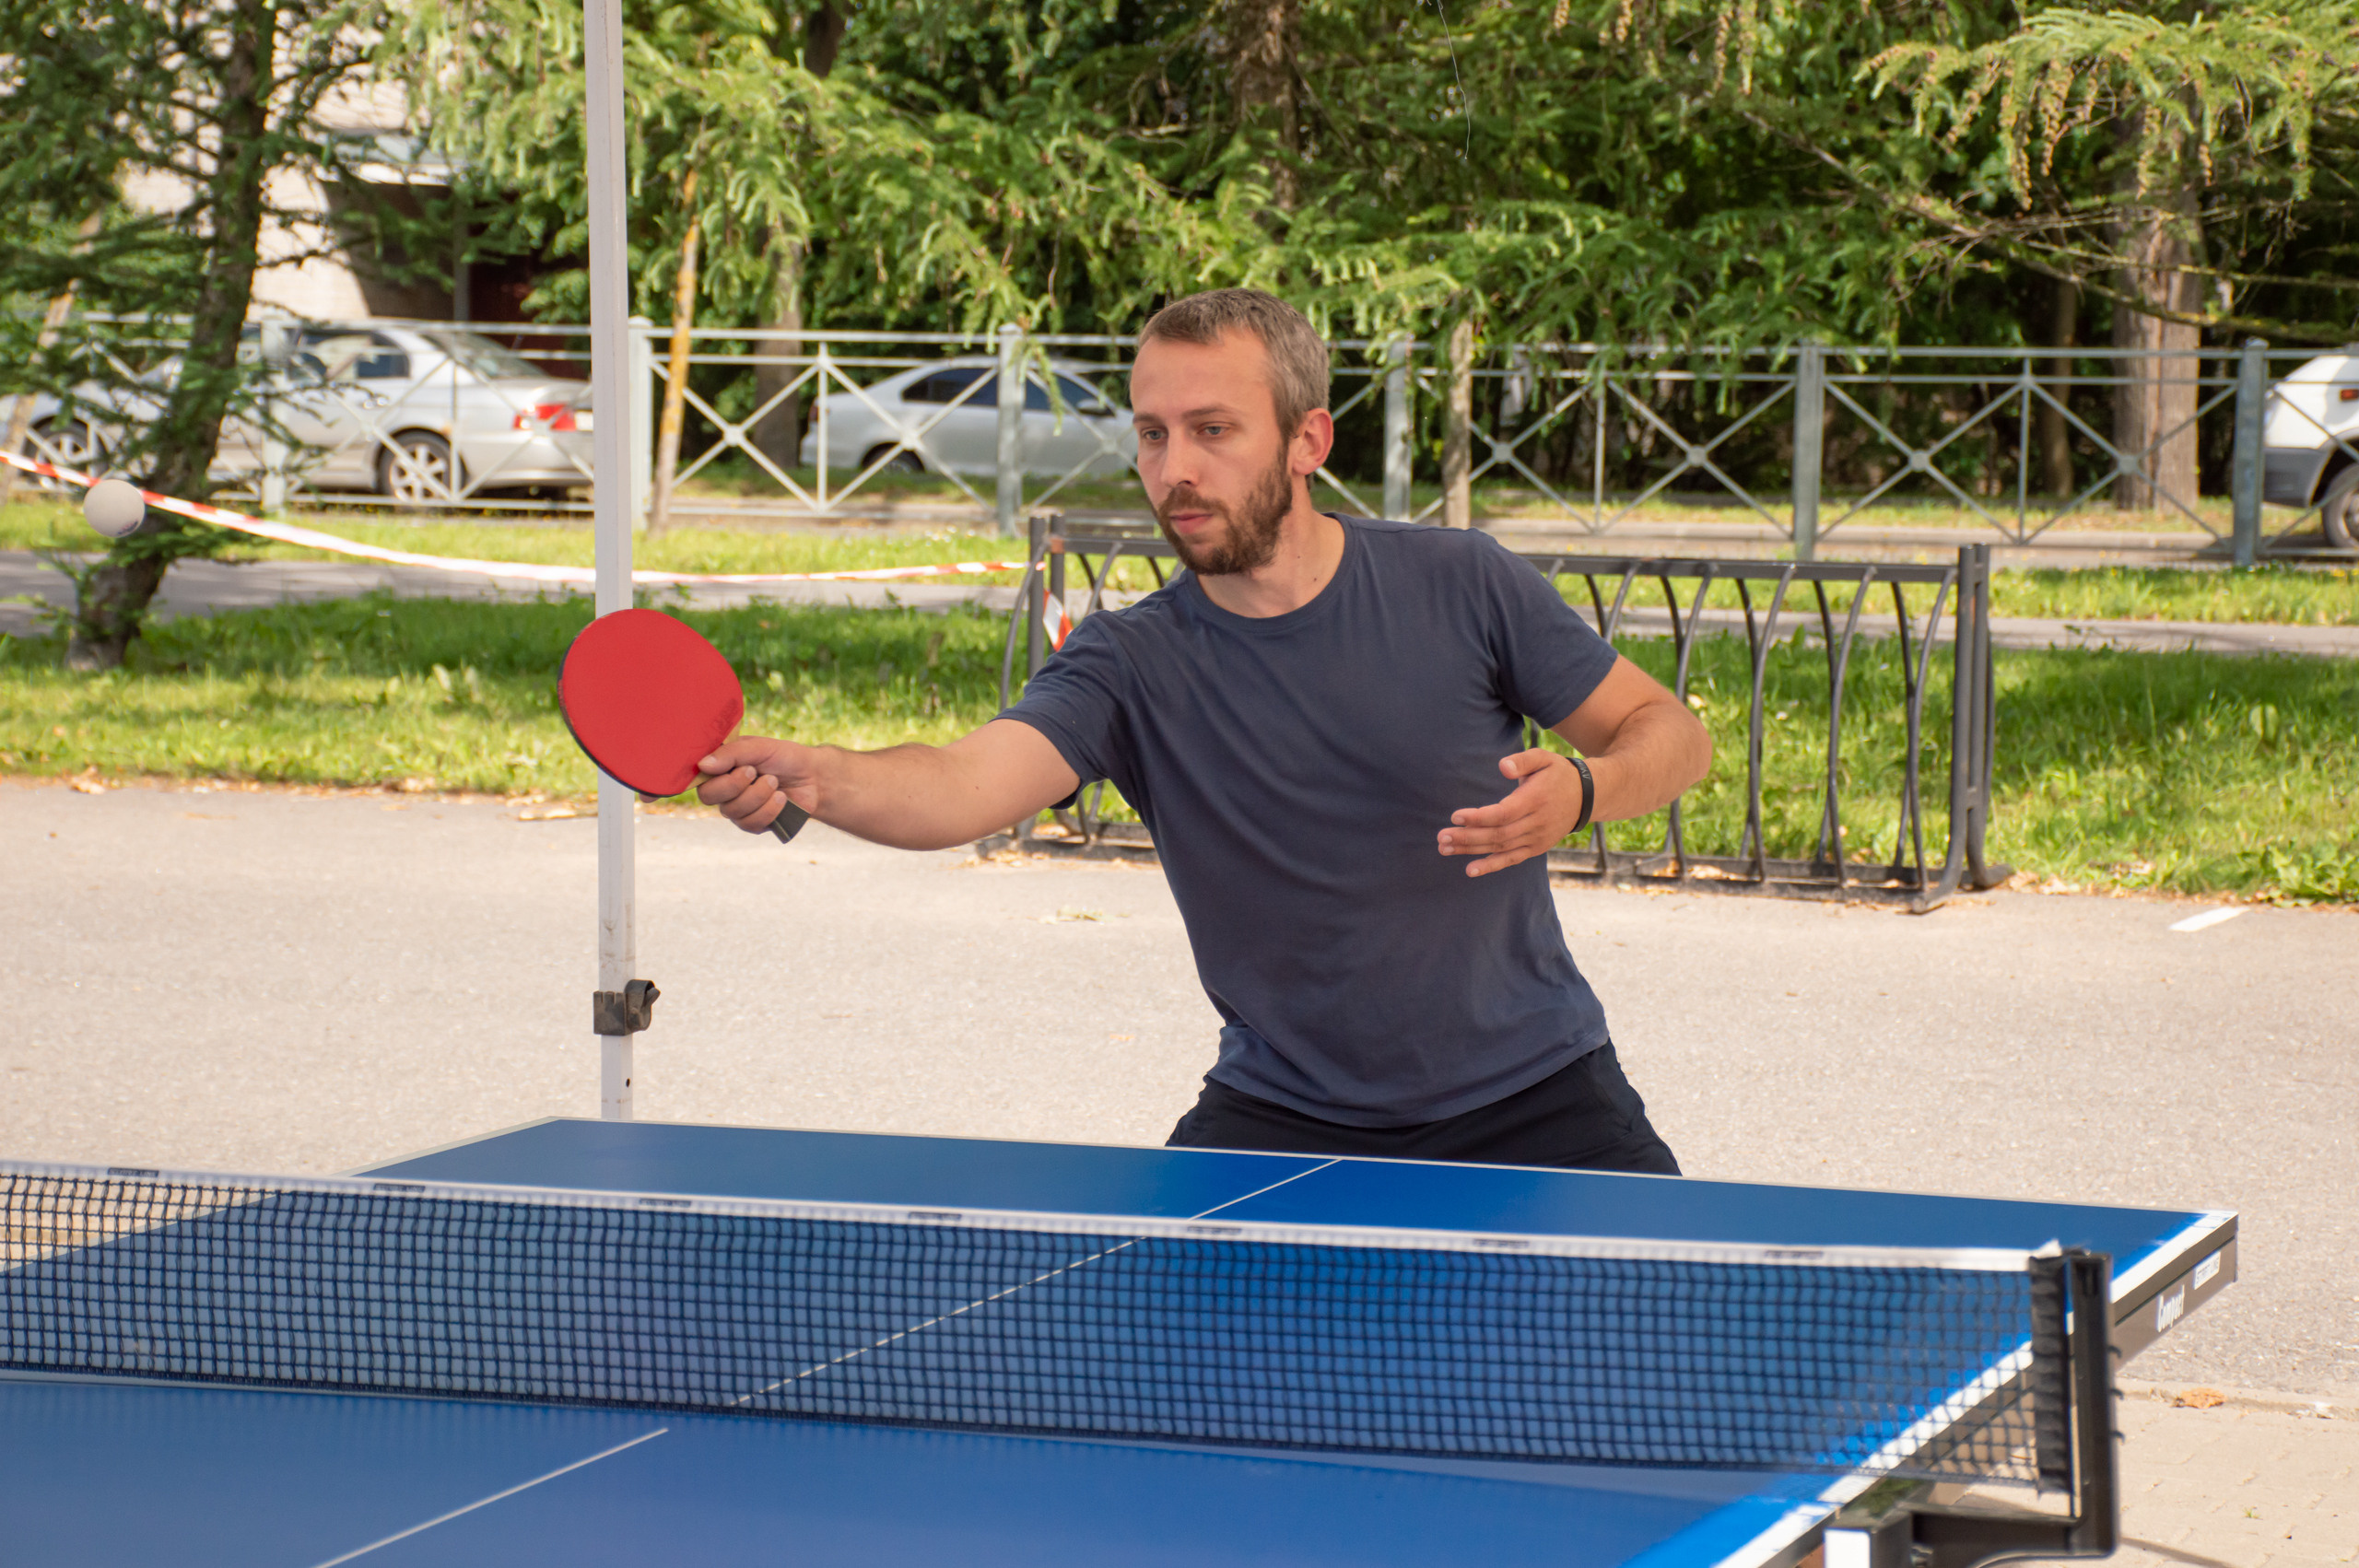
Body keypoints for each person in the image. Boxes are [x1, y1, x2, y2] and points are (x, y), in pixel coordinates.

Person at [694, 289, 1712, 1174]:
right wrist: (819, 776)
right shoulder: (1129, 662)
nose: (1173, 468)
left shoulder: (1461, 583)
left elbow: (1668, 730)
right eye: (1151, 433)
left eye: (1212, 430)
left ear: (1308, 441)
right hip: (1281, 1115)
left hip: (1537, 1098)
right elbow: (961, 785)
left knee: (1686, 1376)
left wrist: (1584, 792)